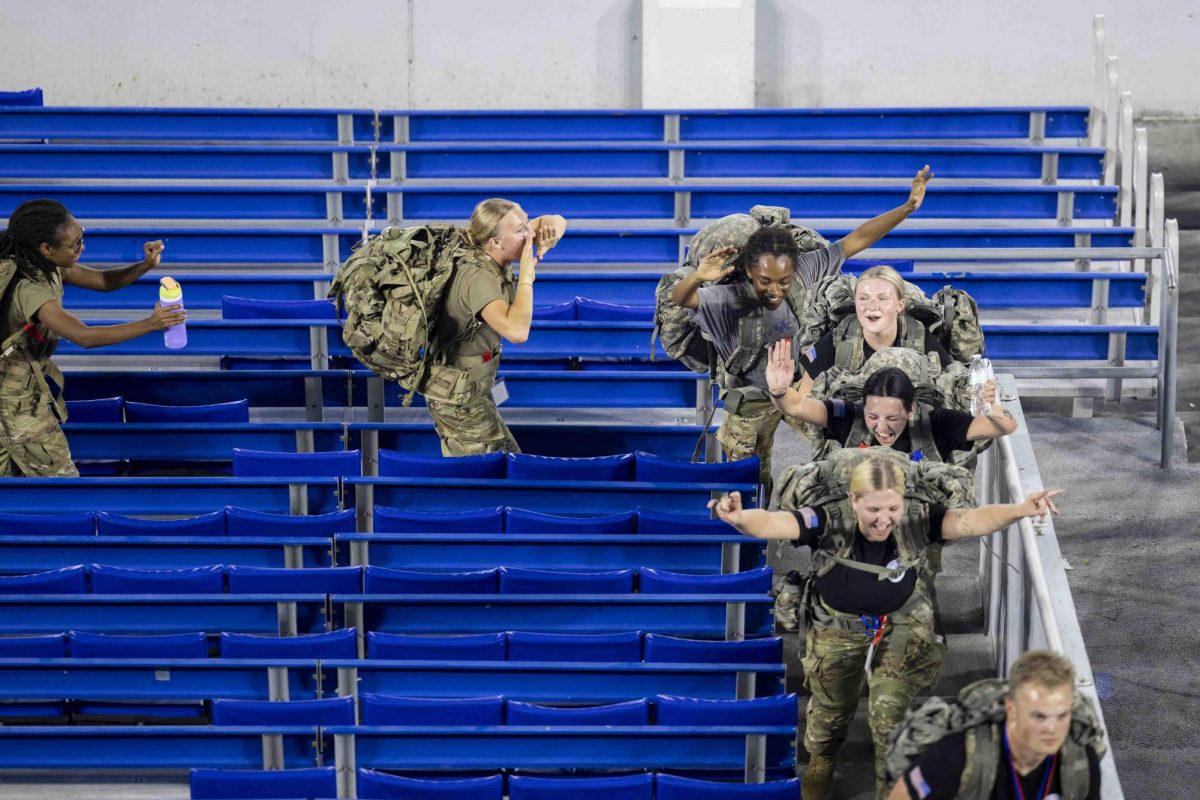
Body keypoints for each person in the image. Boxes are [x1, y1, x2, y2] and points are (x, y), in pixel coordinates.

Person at [707, 454, 1062, 799]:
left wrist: (1019, 511)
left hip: (901, 622)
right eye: (873, 510)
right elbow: (773, 523)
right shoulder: (826, 517)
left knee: (891, 717)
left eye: (892, 509)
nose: (884, 520)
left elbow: (972, 521)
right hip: (836, 624)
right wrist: (739, 519)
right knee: (832, 707)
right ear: (853, 500)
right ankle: (823, 759)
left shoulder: (918, 515)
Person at [671, 167, 933, 489]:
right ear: (750, 271)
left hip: (798, 388)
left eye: (783, 281)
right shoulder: (726, 298)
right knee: (747, 485)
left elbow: (857, 240)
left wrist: (907, 208)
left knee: (844, 445)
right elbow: (681, 299)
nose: (775, 290)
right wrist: (698, 277)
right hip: (750, 399)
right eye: (765, 281)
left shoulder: (806, 270)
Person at [0, 199, 186, 477]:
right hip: (13, 406)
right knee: (62, 489)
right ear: (46, 248)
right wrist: (151, 323)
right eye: (74, 244)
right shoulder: (29, 288)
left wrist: (144, 265)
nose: (82, 247)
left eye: (82, 237)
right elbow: (84, 336)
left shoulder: (43, 262)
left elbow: (103, 281)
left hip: (19, 395)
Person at [421, 198, 567, 456]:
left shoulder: (493, 247)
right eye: (522, 230)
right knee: (493, 474)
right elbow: (517, 331)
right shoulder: (477, 278)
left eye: (527, 223)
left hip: (475, 385)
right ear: (495, 242)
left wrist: (551, 229)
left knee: (504, 464)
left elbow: (553, 220)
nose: (530, 233)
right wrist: (527, 279)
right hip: (458, 398)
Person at [888, 650, 1102, 800]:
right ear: (1012, 710)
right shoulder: (957, 756)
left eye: (1062, 716)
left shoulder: (1080, 760)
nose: (1053, 729)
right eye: (1039, 717)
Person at [766, 341, 1017, 462]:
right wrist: (778, 390)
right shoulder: (848, 415)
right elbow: (797, 406)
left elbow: (1005, 426)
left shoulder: (936, 423)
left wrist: (992, 407)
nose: (882, 428)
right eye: (872, 417)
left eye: (892, 418)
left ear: (911, 409)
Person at [795, 263, 955, 400]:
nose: (871, 306)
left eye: (882, 298)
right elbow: (805, 396)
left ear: (900, 305)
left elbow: (949, 392)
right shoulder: (840, 336)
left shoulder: (917, 336)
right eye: (863, 298)